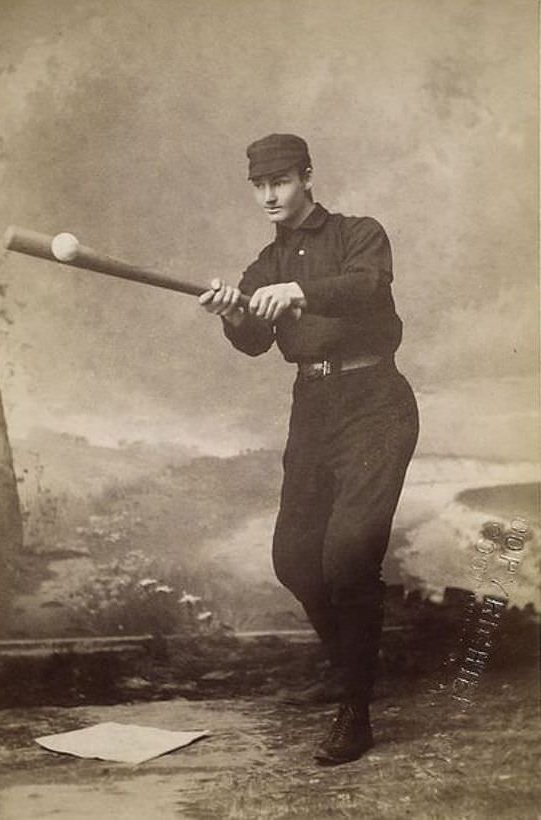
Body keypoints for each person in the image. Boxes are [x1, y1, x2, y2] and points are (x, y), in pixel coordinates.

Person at [199, 133, 419, 765]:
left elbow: (366, 287)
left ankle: (356, 708)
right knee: (296, 558)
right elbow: (252, 344)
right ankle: (356, 667)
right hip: (313, 409)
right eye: (259, 185)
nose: (269, 195)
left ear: (307, 177)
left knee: (348, 554)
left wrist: (299, 292)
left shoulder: (360, 234)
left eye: (281, 181)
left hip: (376, 402)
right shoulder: (264, 263)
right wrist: (231, 313)